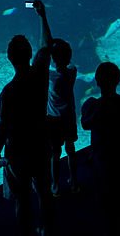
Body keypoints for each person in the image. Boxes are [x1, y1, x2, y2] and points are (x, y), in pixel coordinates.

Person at [0, 0, 54, 236]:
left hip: (18, 151)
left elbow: (3, 126)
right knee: (45, 191)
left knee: (23, 198)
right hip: (41, 142)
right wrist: (42, 16)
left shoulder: (9, 92)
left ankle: (26, 231)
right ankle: (47, 229)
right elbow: (46, 46)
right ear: (28, 55)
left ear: (9, 58)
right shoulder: (40, 74)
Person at [80, 61, 120, 236]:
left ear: (96, 81)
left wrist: (99, 108)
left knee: (107, 199)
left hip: (104, 159)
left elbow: (85, 124)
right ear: (118, 80)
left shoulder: (92, 105)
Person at [48, 37, 79, 196]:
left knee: (55, 153)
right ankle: (74, 181)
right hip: (69, 117)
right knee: (71, 149)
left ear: (53, 58)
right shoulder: (72, 71)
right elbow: (66, 62)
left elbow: (41, 63)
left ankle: (55, 185)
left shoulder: (52, 77)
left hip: (54, 119)